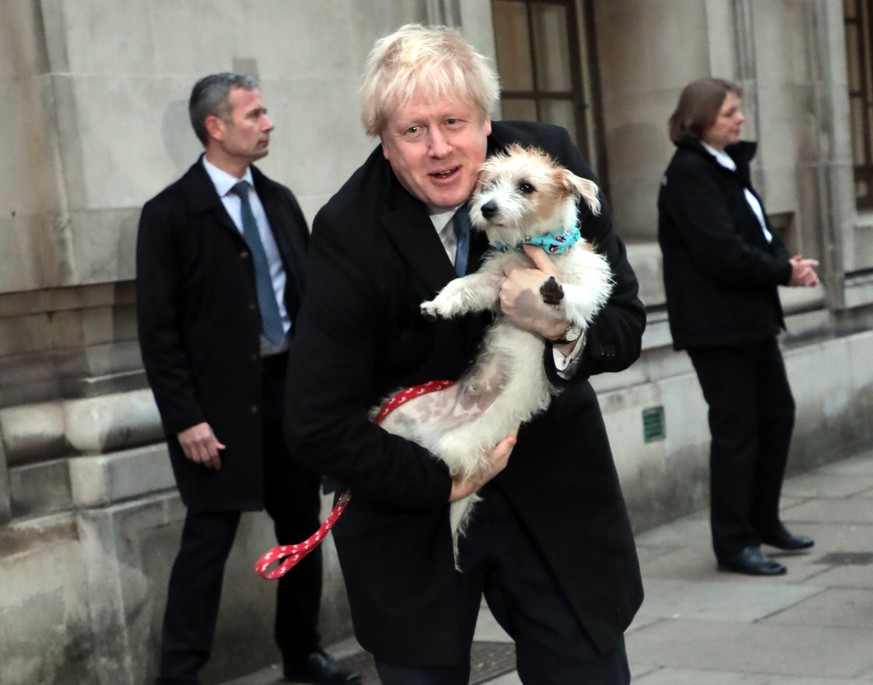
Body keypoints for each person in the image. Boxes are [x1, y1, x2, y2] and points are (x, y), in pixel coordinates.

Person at [283, 24, 645, 685]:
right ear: (384, 143)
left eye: (454, 121)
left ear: (486, 120)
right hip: (414, 504)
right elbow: (314, 424)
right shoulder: (347, 231)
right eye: (412, 129)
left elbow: (624, 324)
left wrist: (561, 328)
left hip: (553, 495)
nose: (440, 147)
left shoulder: (545, 166)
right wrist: (443, 481)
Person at [136, 72, 359, 685]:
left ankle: (302, 653)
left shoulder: (281, 200)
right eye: (255, 114)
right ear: (216, 127)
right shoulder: (170, 215)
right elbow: (158, 333)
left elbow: (311, 303)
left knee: (300, 531)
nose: (269, 123)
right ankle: (179, 673)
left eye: (265, 113)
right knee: (207, 542)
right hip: (218, 409)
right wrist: (185, 418)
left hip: (290, 394)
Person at [658, 77, 819, 577]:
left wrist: (783, 260)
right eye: (729, 111)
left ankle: (763, 522)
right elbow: (720, 251)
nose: (740, 118)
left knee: (776, 416)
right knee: (738, 432)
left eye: (737, 110)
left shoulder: (726, 166)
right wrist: (782, 271)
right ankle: (734, 542)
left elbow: (760, 231)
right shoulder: (689, 172)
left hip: (749, 322)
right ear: (702, 116)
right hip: (717, 328)